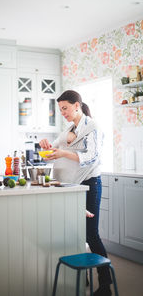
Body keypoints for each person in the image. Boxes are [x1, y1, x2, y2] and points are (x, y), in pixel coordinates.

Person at [39, 90, 112, 296]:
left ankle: (105, 284)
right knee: (75, 233)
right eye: (60, 109)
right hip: (72, 187)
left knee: (91, 234)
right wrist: (45, 147)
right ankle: (84, 277)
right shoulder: (69, 129)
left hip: (89, 185)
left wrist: (64, 153)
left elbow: (92, 157)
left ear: (77, 105)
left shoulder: (93, 127)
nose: (62, 112)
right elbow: (50, 155)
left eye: (65, 108)